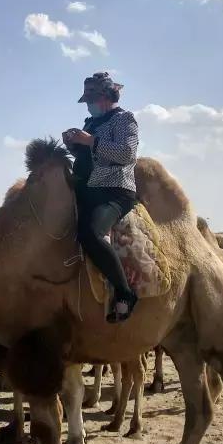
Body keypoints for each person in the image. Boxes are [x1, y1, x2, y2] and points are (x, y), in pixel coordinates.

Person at [63, 72, 139, 323]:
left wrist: (90, 141)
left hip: (115, 191)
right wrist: (74, 144)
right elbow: (87, 154)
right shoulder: (91, 123)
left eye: (90, 100)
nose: (88, 105)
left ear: (105, 97)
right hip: (86, 188)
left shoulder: (124, 120)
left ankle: (125, 293)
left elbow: (127, 153)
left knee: (91, 233)